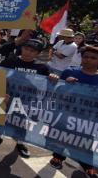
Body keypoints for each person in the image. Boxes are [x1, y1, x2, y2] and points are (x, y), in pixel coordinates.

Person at [0, 39, 59, 158]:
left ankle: (20, 143)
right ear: (22, 48)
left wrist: (53, 77)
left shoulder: (42, 67)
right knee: (0, 118)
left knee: (22, 122)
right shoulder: (9, 61)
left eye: (32, 51)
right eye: (26, 49)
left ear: (38, 53)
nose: (28, 52)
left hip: (26, 101)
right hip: (6, 97)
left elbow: (49, 84)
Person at [49, 46, 98, 177]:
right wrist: (64, 83)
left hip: (87, 119)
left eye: (93, 58)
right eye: (85, 57)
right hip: (66, 113)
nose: (88, 60)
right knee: (61, 136)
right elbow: (56, 91)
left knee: (85, 142)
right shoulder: (70, 72)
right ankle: (58, 157)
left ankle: (88, 165)